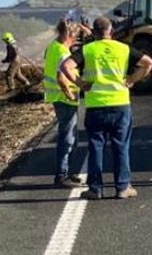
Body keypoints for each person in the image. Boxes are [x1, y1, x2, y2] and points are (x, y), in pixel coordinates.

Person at [60, 16, 152, 200]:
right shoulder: (123, 48)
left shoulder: (88, 49)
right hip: (120, 105)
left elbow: (66, 66)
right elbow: (149, 63)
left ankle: (95, 189)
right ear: (111, 32)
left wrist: (81, 83)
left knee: (96, 147)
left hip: (96, 106)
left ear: (93, 33)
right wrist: (132, 80)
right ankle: (123, 187)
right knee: (121, 147)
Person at [45, 20, 84, 187]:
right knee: (67, 138)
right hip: (65, 100)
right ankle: (62, 175)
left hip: (57, 98)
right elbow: (61, 78)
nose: (76, 41)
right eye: (75, 37)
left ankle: (69, 172)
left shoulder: (53, 46)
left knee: (69, 136)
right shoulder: (63, 53)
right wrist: (70, 94)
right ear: (69, 35)